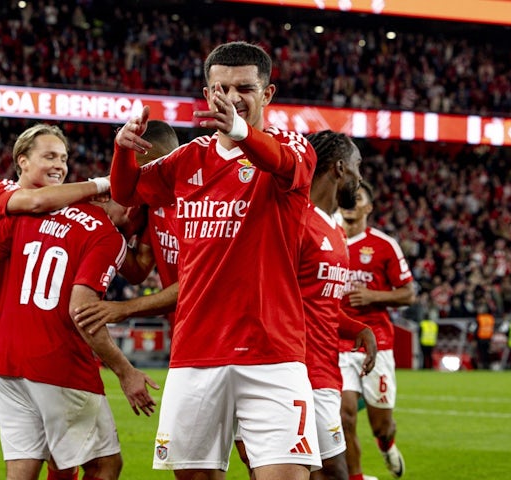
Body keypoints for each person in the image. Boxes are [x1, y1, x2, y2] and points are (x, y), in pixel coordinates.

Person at [110, 41, 321, 480]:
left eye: (245, 87)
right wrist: (122, 151)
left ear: (268, 94)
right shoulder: (189, 158)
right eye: (220, 87)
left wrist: (243, 135)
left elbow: (281, 162)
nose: (232, 97)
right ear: (207, 95)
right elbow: (126, 193)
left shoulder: (292, 147)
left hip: (272, 354)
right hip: (196, 352)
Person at [0, 190, 158, 480]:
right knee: (104, 465)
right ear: (131, 211)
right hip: (57, 360)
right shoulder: (107, 236)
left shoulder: (35, 211)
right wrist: (125, 372)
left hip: (5, 361)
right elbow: (81, 310)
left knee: (22, 469)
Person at [0, 123, 114, 480]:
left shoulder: (62, 209)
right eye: (49, 156)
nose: (59, 165)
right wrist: (100, 184)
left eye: (64, 158)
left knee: (57, 457)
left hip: (31, 350)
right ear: (22, 161)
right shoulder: (0, 193)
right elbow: (33, 203)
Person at [234, 130, 378, 480]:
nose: (361, 178)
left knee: (309, 470)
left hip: (323, 368)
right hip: (293, 368)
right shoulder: (295, 221)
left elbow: (318, 303)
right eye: (358, 167)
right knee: (325, 470)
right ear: (340, 168)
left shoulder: (335, 230)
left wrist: (357, 328)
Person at [338, 180, 416, 480]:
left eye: (357, 198)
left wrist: (374, 296)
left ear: (368, 207)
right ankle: (356, 477)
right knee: (344, 414)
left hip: (377, 343)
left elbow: (408, 294)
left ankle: (386, 445)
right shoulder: (326, 238)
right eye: (347, 197)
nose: (350, 202)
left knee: (380, 425)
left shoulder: (384, 245)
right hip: (339, 341)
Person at [74, 120, 180, 334]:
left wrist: (125, 308)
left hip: (228, 329)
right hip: (183, 329)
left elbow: (199, 283)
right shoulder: (152, 205)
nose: (135, 180)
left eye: (142, 169)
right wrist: (106, 228)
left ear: (168, 159)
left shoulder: (201, 203)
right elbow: (139, 269)